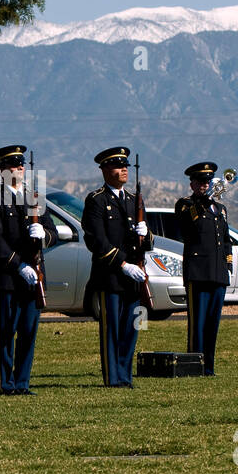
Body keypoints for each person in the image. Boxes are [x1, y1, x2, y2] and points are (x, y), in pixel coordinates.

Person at [0, 145, 56, 395]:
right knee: (6, 333)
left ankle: (22, 382)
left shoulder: (35, 199)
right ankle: (6, 383)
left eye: (21, 163)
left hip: (35, 277)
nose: (20, 168)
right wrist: (19, 265)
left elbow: (53, 233)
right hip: (8, 278)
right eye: (13, 164)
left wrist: (43, 234)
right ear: (2, 171)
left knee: (28, 331)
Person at [82, 147, 153, 387]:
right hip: (110, 276)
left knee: (132, 328)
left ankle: (126, 375)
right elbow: (95, 239)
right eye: (117, 166)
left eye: (125, 166)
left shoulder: (135, 201)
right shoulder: (97, 200)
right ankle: (113, 377)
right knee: (111, 330)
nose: (123, 170)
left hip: (134, 278)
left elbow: (147, 239)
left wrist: (147, 235)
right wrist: (122, 263)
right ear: (104, 170)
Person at [176, 162, 232, 376]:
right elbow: (187, 229)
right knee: (197, 323)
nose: (204, 185)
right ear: (192, 184)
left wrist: (228, 263)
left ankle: (209, 366)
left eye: (207, 182)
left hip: (217, 272)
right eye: (200, 182)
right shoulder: (185, 205)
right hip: (198, 272)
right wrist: (201, 202)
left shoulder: (220, 209)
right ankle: (193, 365)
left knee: (212, 324)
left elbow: (225, 240)